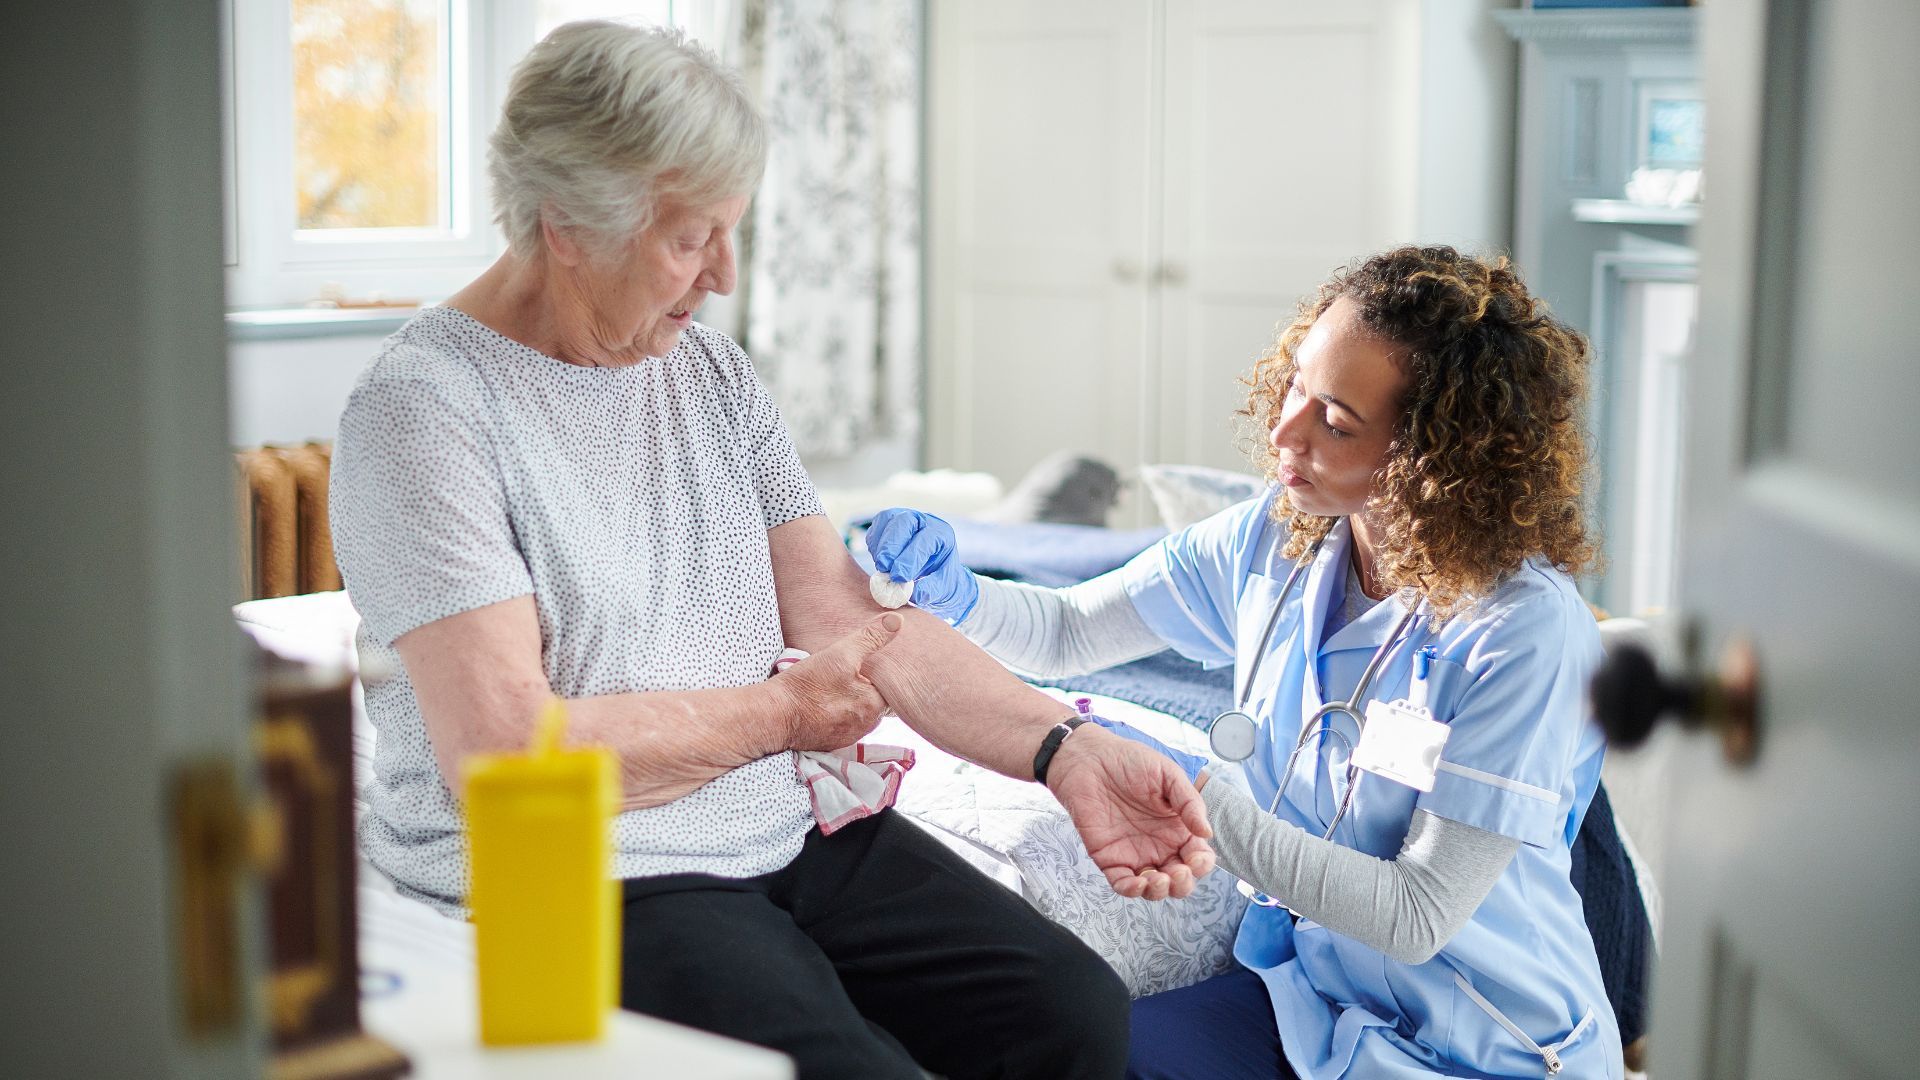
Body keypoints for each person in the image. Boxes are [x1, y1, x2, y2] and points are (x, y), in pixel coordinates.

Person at [329, 21, 1213, 1080]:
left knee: (1071, 1011)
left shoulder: (709, 374)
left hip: (777, 825)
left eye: (732, 232)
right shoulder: (422, 412)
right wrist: (788, 717)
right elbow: (507, 754)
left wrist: (1063, 750)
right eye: (692, 238)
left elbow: (854, 627)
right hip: (585, 865)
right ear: (566, 223)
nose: (725, 275)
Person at [868, 246, 1623, 1079]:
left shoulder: (1524, 634)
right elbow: (1071, 631)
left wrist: (1190, 790)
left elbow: (1419, 915)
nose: (1283, 431)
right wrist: (954, 595)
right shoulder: (1276, 536)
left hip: (1488, 1046)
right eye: (1296, 384)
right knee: (1068, 1050)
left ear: (1435, 459)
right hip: (1319, 1005)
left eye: (1335, 422)